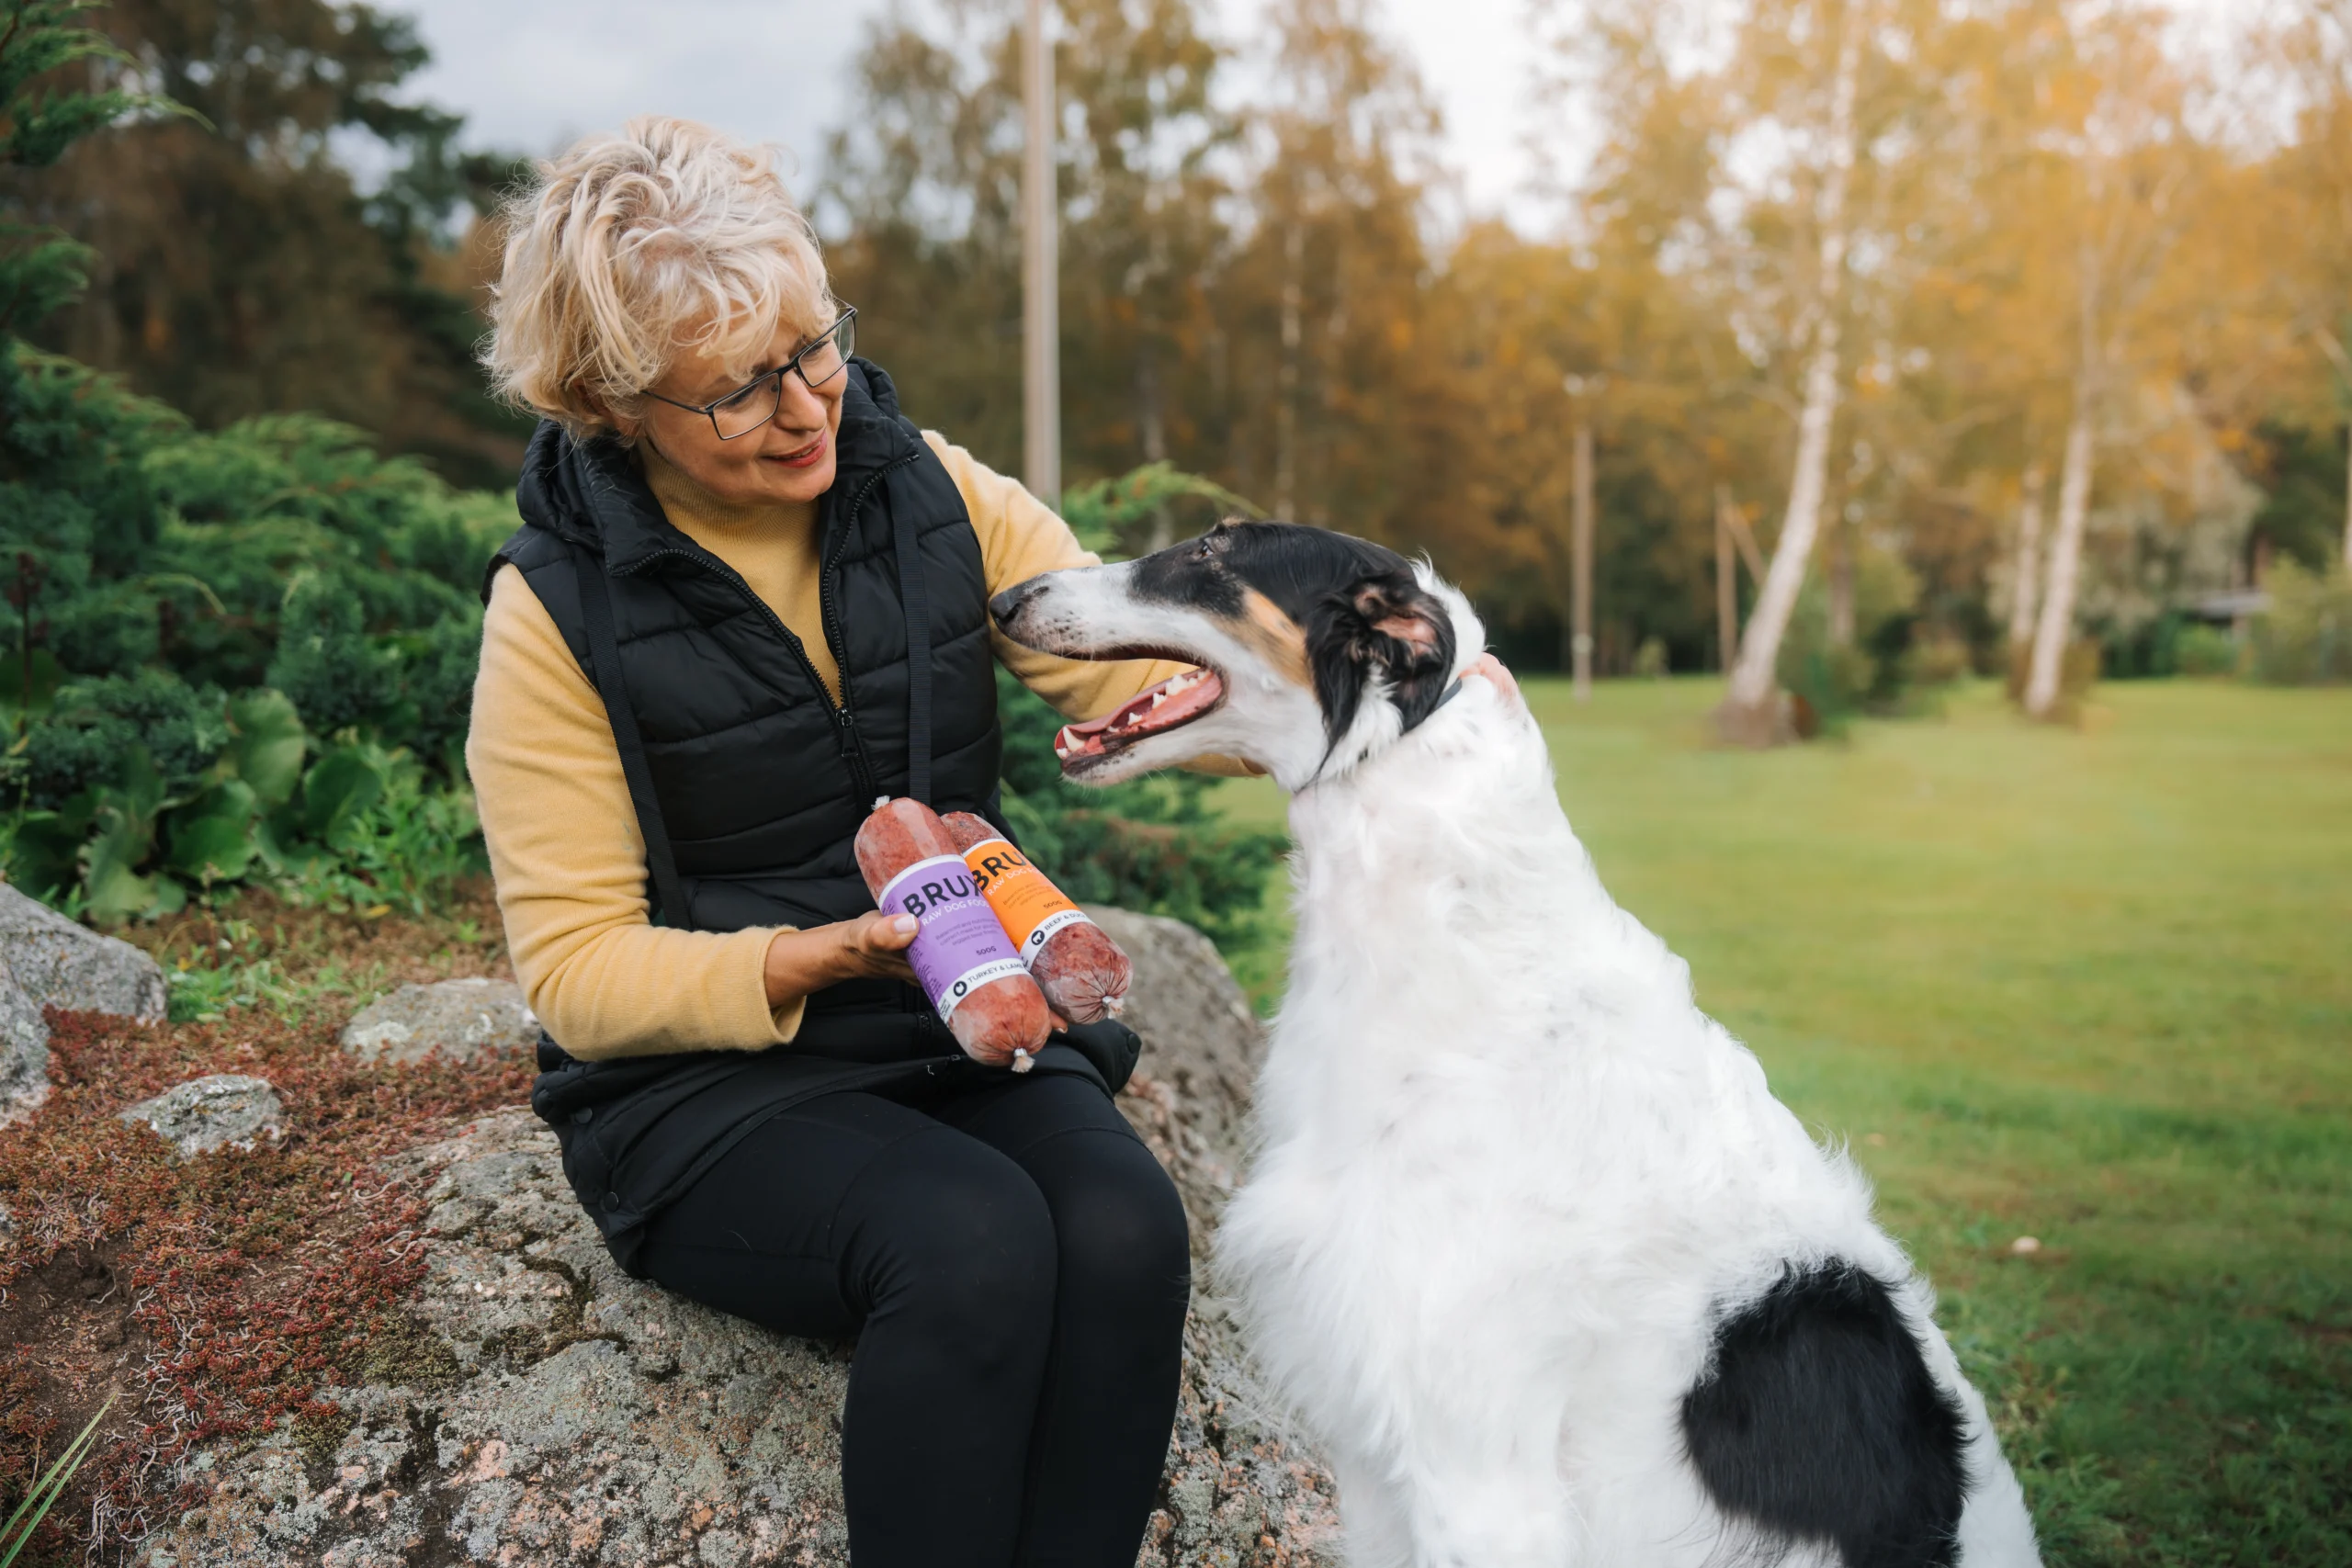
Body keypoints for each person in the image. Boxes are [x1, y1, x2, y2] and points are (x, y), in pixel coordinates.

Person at [469, 116, 1219, 1567]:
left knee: (1125, 1226)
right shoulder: (554, 610)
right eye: (740, 389)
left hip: (960, 1028)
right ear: (617, 407)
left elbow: (1119, 657)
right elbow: (573, 969)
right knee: (970, 1243)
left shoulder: (929, 489)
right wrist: (807, 958)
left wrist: (1375, 677)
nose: (809, 404)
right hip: (707, 1095)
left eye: (816, 344)